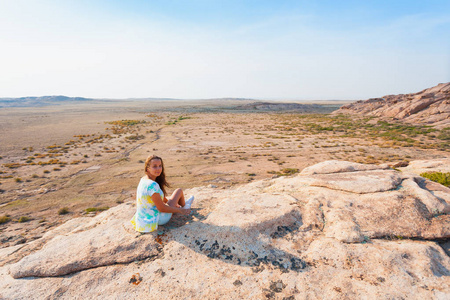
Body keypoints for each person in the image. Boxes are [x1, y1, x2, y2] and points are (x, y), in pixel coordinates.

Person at [131, 155, 194, 233]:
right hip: (158, 218)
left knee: (176, 195)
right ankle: (185, 207)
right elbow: (162, 208)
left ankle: (184, 205)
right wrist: (180, 210)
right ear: (148, 169)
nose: (158, 169)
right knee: (179, 191)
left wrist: (171, 204)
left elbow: (158, 198)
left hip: (145, 218)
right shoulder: (152, 185)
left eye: (160, 166)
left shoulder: (143, 179)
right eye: (154, 166)